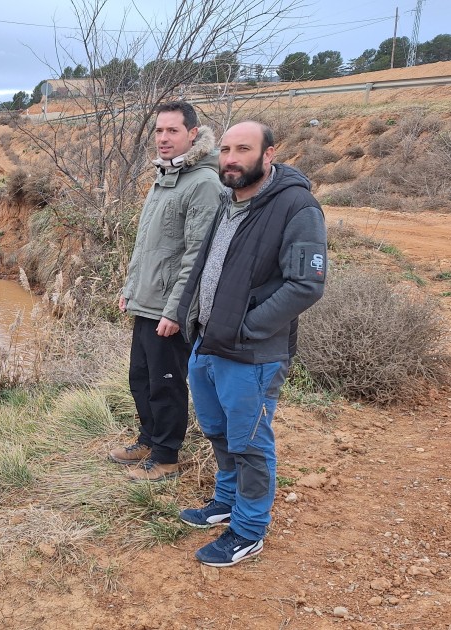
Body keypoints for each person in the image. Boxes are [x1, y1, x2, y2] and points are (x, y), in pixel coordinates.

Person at [175, 121, 327, 567]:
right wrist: (193, 323)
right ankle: (224, 502)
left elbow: (306, 285)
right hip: (208, 343)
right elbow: (206, 268)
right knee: (217, 431)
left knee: (249, 443)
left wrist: (246, 328)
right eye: (224, 149)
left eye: (243, 148)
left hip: (252, 353)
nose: (230, 158)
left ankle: (248, 529)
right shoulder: (227, 201)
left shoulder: (297, 207)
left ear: (269, 153)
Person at [109, 101, 225, 482]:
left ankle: (166, 458)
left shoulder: (204, 184)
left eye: (172, 131)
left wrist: (176, 312)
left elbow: (196, 257)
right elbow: (147, 245)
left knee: (166, 383)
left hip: (169, 309)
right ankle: (148, 439)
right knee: (140, 378)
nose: (163, 138)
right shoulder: (166, 177)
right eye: (159, 130)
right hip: (147, 300)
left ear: (193, 134)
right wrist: (130, 288)